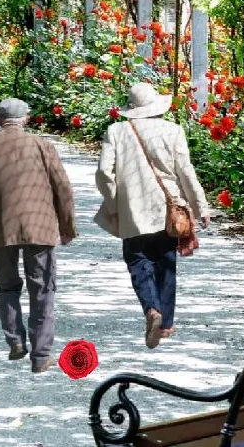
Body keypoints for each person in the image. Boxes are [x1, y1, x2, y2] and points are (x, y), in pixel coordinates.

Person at [94, 82, 210, 350]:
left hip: (133, 210)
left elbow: (103, 173)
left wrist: (115, 203)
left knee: (137, 261)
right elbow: (186, 172)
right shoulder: (173, 131)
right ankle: (166, 323)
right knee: (165, 261)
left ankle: (151, 310)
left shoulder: (117, 131)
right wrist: (200, 207)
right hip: (169, 209)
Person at [0, 98, 77, 373]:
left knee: (6, 286)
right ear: (26, 119)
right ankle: (41, 356)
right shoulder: (43, 145)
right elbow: (62, 187)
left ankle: (16, 341)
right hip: (39, 227)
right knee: (42, 289)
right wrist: (67, 226)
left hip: (1, 230)